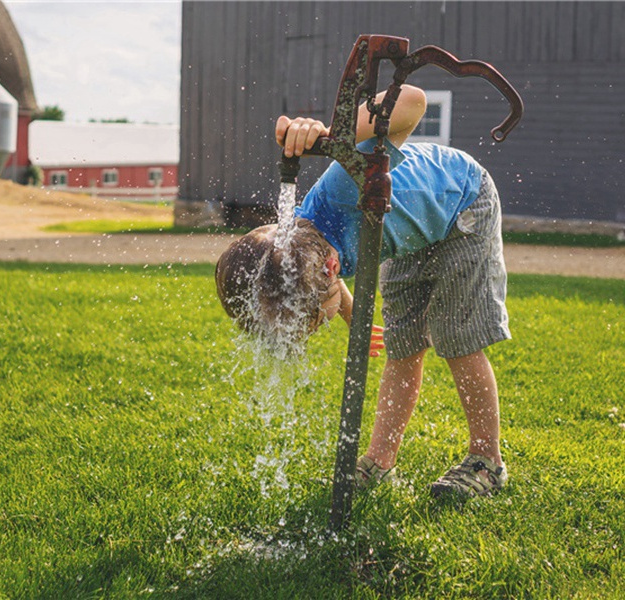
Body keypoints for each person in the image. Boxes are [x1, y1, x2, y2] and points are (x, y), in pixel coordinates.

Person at [215, 84, 510, 498]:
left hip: (462, 203)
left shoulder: (343, 186)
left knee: (458, 340)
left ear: (329, 269)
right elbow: (330, 286)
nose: (319, 326)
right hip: (406, 234)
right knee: (403, 348)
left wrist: (336, 135)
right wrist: (357, 318)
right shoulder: (305, 249)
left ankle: (486, 462)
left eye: (319, 318)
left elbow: (411, 101)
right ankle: (379, 462)